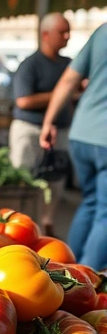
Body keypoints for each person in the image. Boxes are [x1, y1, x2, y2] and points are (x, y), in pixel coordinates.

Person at [41, 22, 107, 269]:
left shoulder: (102, 32)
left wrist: (48, 122)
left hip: (82, 133)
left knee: (90, 200)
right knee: (105, 211)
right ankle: (86, 279)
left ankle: (66, 266)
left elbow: (69, 80)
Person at [10, 13, 73, 237]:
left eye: (68, 32)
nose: (67, 36)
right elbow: (23, 101)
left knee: (55, 181)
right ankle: (20, 226)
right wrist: (61, 93)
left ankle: (46, 224)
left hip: (61, 131)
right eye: (62, 32)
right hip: (29, 130)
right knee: (24, 180)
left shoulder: (69, 64)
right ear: (45, 35)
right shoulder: (30, 65)